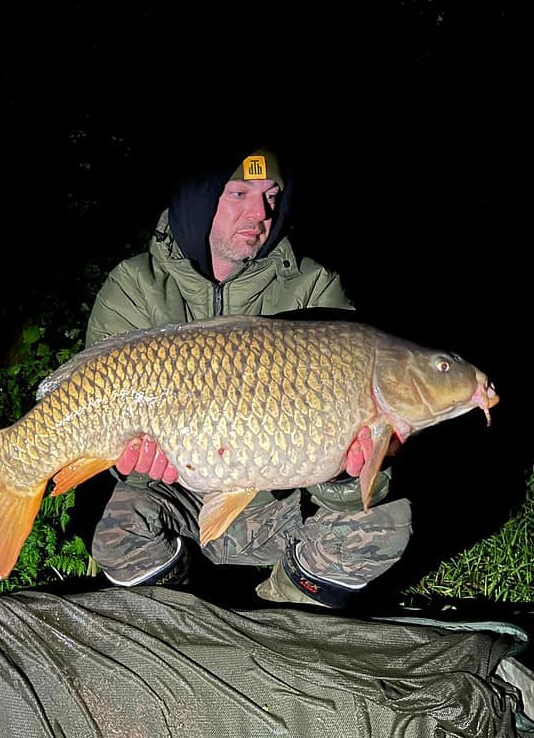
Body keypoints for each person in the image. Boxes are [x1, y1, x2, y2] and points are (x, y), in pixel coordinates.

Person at [84, 145, 412, 608]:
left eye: (270, 195)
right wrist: (132, 465)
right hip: (185, 500)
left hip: (282, 510)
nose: (259, 213)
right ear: (197, 201)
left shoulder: (314, 289)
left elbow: (352, 490)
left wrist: (346, 475)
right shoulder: (134, 289)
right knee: (121, 534)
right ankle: (191, 606)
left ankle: (282, 607)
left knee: (382, 527)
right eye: (237, 193)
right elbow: (118, 453)